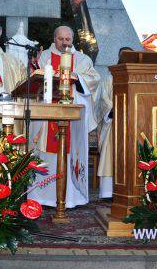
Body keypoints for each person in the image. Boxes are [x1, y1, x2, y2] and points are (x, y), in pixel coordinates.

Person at [29, 26, 100, 208]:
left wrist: (76, 78)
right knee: (44, 152)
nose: (64, 43)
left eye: (68, 39)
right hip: (46, 116)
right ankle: (41, 197)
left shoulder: (82, 59)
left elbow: (94, 80)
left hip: (72, 114)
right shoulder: (44, 57)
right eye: (60, 39)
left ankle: (70, 198)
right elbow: (34, 78)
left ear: (72, 39)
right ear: (54, 39)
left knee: (71, 151)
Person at [95, 46, 133, 199]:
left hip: (133, 123)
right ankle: (108, 192)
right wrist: (114, 109)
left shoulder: (138, 77)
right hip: (113, 122)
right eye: (124, 56)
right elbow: (103, 98)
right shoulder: (110, 77)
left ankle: (132, 190)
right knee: (109, 154)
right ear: (119, 57)